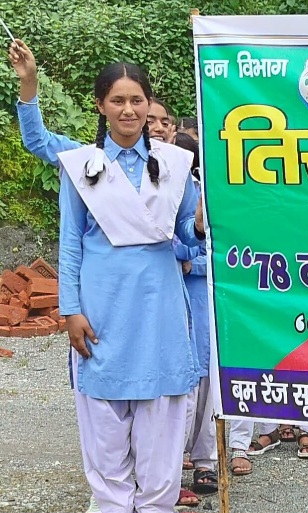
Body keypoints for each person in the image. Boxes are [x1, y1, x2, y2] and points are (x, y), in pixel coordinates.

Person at [7, 40, 204, 512]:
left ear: (149, 105)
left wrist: (199, 226)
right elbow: (70, 244)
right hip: (101, 313)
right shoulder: (82, 164)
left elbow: (187, 235)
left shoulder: (175, 164)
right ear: (101, 105)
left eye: (137, 100)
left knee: (161, 445)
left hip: (159, 311)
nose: (128, 109)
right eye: (117, 100)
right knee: (105, 442)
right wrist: (70, 310)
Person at [172, 132, 218, 496]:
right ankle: (167, 469)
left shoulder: (204, 194)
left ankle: (204, 460)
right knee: (173, 385)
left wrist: (192, 261)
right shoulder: (147, 189)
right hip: (164, 297)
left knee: (203, 381)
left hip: (199, 297)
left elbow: (217, 249)